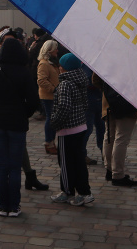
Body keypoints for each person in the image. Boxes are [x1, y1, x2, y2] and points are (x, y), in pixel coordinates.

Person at [0, 36, 39, 217]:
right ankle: (14, 206)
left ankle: (2, 206)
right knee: (14, 167)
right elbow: (34, 101)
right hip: (17, 123)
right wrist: (25, 113)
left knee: (1, 167)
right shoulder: (24, 72)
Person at [49, 53, 93, 207]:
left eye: (60, 65)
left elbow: (64, 107)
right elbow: (85, 104)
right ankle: (84, 192)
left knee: (66, 163)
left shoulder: (65, 84)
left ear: (65, 68)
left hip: (68, 130)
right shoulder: (80, 79)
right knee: (78, 161)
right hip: (80, 126)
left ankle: (67, 191)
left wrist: (54, 122)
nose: (59, 68)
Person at [94, 75, 137, 187]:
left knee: (109, 136)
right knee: (121, 139)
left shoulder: (105, 57)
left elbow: (95, 79)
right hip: (128, 101)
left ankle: (110, 170)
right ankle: (118, 174)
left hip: (109, 101)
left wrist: (107, 90)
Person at [37, 40, 60, 155]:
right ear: (50, 50)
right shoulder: (44, 63)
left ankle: (51, 141)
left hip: (54, 95)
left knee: (53, 119)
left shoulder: (53, 62)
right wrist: (53, 89)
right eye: (55, 48)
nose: (57, 50)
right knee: (51, 120)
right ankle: (48, 142)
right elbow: (41, 80)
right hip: (48, 96)